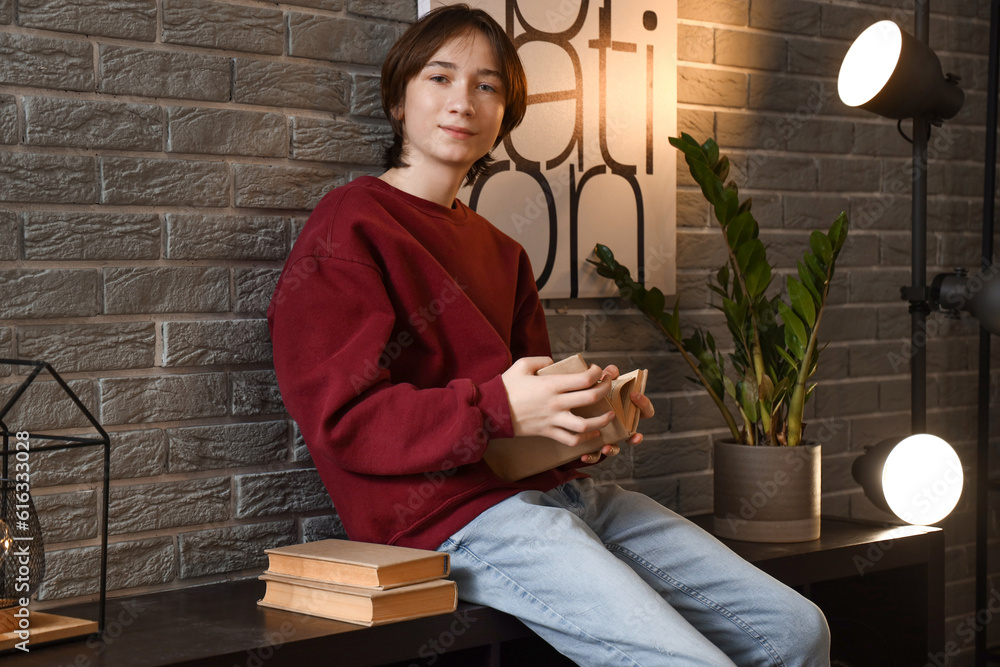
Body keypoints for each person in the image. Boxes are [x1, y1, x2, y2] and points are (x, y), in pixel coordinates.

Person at [267, 5, 831, 665]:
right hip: (450, 520)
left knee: (798, 629)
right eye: (439, 78)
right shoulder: (352, 224)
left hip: (564, 497)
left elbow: (523, 413)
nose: (463, 102)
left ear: (505, 114)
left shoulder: (503, 253)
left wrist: (585, 428)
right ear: (398, 98)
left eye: (488, 87)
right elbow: (343, 419)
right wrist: (501, 407)